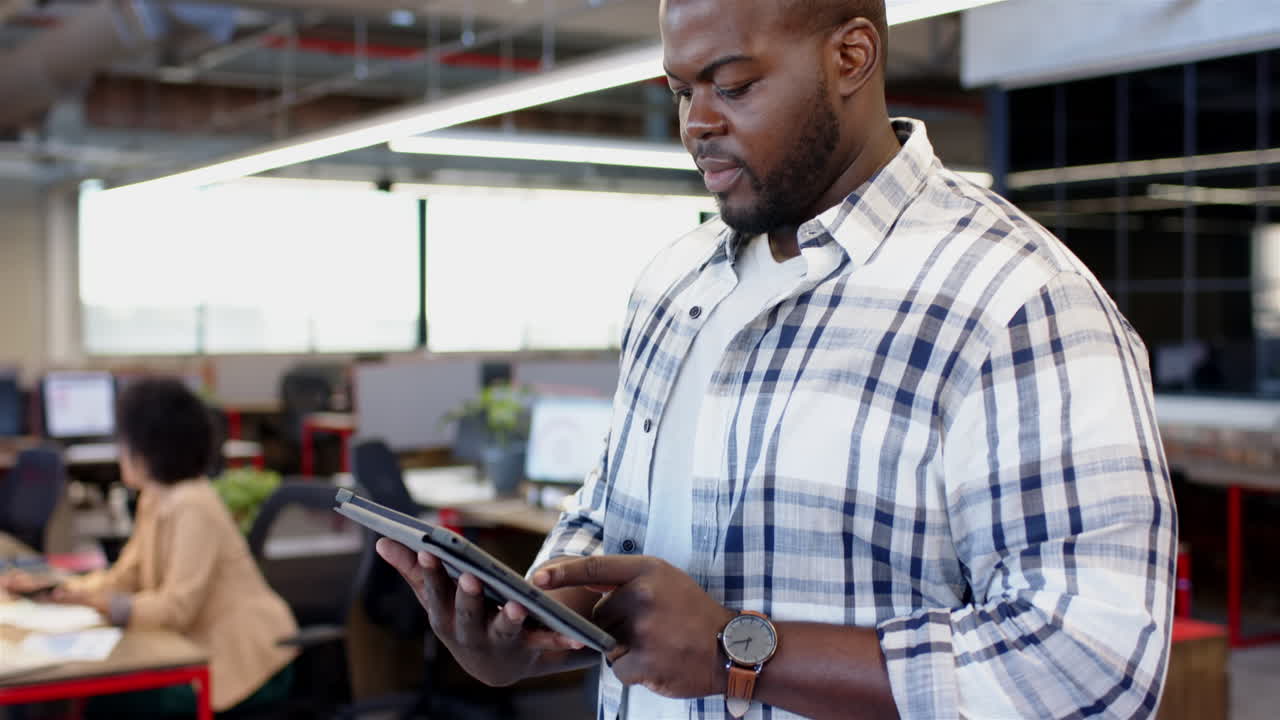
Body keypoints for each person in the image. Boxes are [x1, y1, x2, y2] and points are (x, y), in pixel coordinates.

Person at [377, 0, 1177, 717]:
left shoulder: (1014, 300)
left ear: (850, 58)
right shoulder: (675, 282)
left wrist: (740, 649)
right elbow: (613, 507)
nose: (696, 122)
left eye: (732, 84)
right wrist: (536, 613)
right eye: (681, 90)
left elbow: (1091, 665)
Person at [2, 378, 297, 717]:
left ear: (148, 449)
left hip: (243, 659)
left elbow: (176, 607)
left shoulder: (193, 505)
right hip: (192, 645)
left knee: (111, 701)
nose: (120, 450)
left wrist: (106, 605)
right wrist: (58, 589)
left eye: (124, 441)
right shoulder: (156, 496)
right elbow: (126, 575)